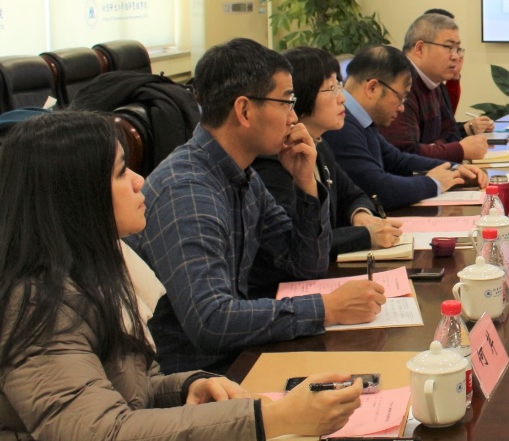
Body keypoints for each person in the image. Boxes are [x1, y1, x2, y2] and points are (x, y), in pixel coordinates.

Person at [0, 111, 363, 441]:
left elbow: (129, 392)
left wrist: (188, 387)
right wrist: (270, 419)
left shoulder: (98, 266)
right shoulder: (35, 305)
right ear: (77, 197)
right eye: (121, 173)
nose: (140, 181)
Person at [128, 38, 386, 373]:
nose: (293, 118)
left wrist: (305, 184)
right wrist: (327, 308)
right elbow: (211, 321)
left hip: (238, 357)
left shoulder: (244, 175)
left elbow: (306, 265)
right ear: (245, 111)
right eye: (286, 102)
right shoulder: (187, 189)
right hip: (196, 379)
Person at [250, 47, 403, 297]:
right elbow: (299, 244)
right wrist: (365, 235)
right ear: (301, 97)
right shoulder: (272, 162)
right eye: (331, 89)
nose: (342, 98)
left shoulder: (319, 145)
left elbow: (354, 194)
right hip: (281, 294)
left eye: (339, 86)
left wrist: (360, 215)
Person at [324, 45, 487, 210]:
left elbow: (398, 160)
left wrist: (455, 169)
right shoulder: (340, 126)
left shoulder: (360, 119)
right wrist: (434, 182)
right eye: (400, 97)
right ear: (372, 88)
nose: (402, 108)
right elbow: (379, 189)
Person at [380, 12, 494, 162]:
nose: (456, 56)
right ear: (420, 49)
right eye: (449, 47)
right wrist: (458, 150)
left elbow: (452, 132)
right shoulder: (398, 82)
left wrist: (434, 148)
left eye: (457, 49)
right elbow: (404, 153)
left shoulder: (434, 82)